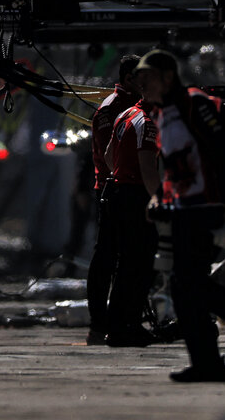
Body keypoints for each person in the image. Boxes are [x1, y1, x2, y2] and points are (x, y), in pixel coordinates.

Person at [134, 48, 225, 383]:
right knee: (186, 289)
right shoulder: (163, 113)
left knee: (191, 284)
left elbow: (223, 152)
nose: (143, 85)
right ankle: (208, 362)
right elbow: (178, 165)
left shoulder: (194, 104)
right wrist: (161, 199)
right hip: (184, 208)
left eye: (148, 78)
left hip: (205, 207)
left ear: (168, 77)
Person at [85, 53, 143, 346]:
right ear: (130, 78)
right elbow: (109, 157)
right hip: (113, 189)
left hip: (132, 188)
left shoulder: (140, 106)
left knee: (130, 257)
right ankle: (100, 323)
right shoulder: (112, 109)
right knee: (107, 256)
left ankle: (126, 318)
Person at [102, 85, 161, 346]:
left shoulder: (124, 115)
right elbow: (148, 168)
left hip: (118, 192)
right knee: (141, 264)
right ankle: (132, 324)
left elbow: (107, 156)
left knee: (124, 264)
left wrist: (122, 175)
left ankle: (116, 326)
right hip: (137, 196)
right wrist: (160, 199)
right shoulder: (147, 124)